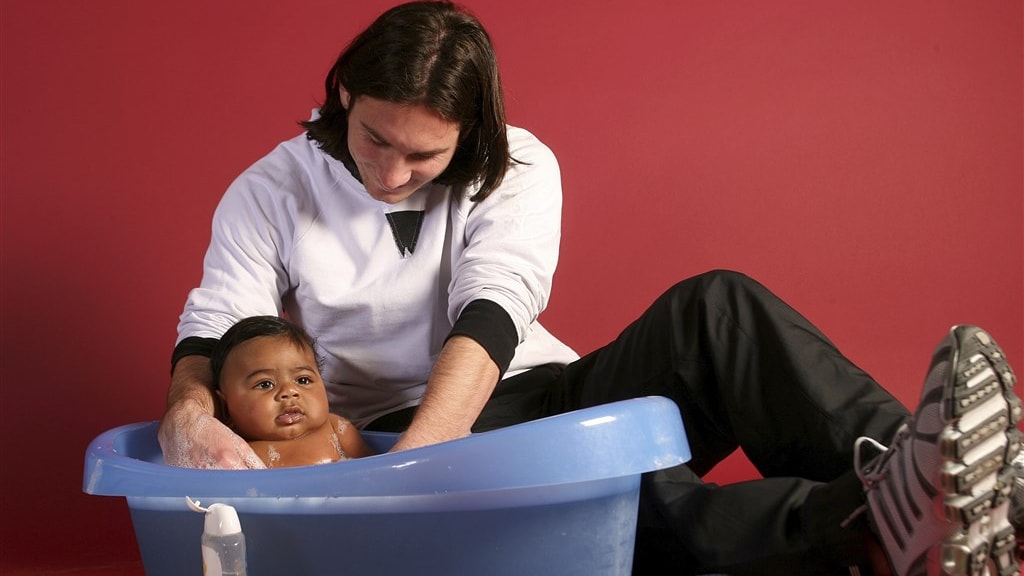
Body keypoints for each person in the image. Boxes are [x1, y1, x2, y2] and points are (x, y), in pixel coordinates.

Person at [157, 2, 1022, 574]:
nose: (393, 172)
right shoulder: (271, 188)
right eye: (377, 138)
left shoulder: (521, 162)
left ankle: (942, 473)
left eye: (425, 155)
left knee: (716, 306)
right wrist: (191, 417)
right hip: (392, 432)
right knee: (621, 490)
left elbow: (493, 310)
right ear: (345, 91)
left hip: (518, 388)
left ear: (473, 132)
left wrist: (430, 456)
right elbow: (215, 328)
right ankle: (875, 526)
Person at [209, 316, 374, 468]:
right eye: (265, 384)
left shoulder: (337, 429)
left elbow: (373, 472)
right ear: (225, 407)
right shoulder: (231, 450)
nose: (289, 391)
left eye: (303, 380)